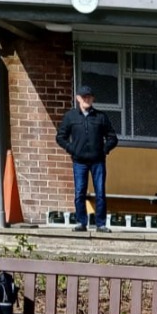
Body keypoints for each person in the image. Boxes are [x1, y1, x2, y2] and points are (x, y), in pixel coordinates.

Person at [57, 83, 119, 233]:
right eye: (84, 97)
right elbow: (60, 137)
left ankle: (101, 224)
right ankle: (81, 222)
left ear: (93, 99)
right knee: (79, 192)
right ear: (78, 98)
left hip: (98, 161)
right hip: (79, 162)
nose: (86, 99)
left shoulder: (101, 117)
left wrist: (103, 150)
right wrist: (72, 149)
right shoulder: (70, 116)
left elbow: (112, 138)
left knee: (100, 193)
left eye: (89, 97)